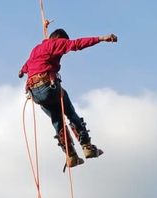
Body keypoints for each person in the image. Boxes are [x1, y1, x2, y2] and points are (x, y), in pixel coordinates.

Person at [19, 28, 118, 168]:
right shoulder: (55, 43)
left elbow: (27, 65)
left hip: (35, 94)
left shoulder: (37, 49)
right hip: (48, 87)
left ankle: (71, 156)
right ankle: (87, 146)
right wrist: (101, 38)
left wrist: (21, 71)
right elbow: (77, 44)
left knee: (57, 120)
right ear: (59, 38)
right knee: (70, 113)